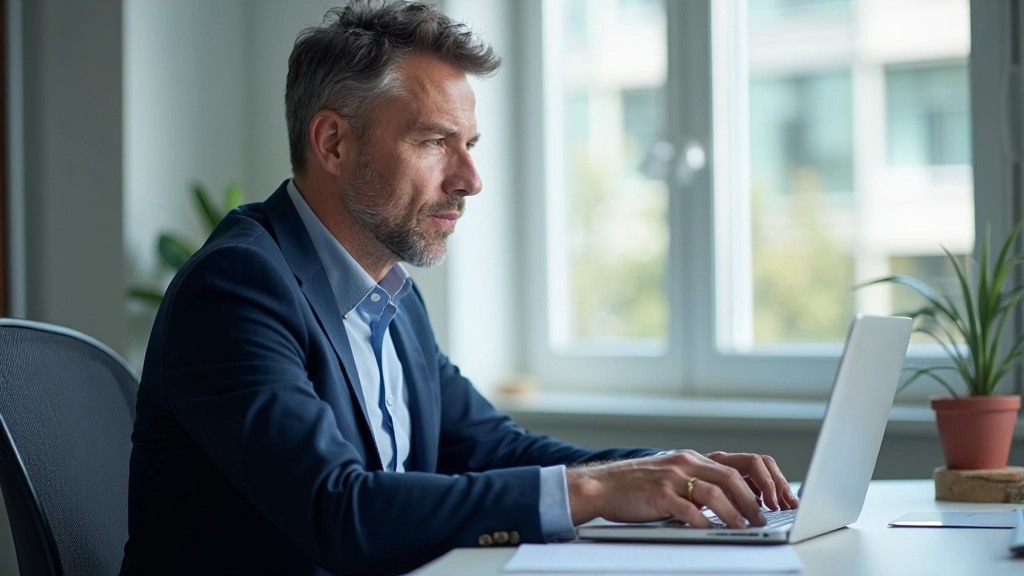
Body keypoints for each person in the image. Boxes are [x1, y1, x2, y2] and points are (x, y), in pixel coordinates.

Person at [120, 2, 798, 575]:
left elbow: (495, 449)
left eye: (469, 144)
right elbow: (338, 509)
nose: (470, 180)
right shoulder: (238, 287)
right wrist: (590, 489)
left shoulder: (386, 292)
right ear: (332, 143)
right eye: (435, 143)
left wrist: (674, 473)